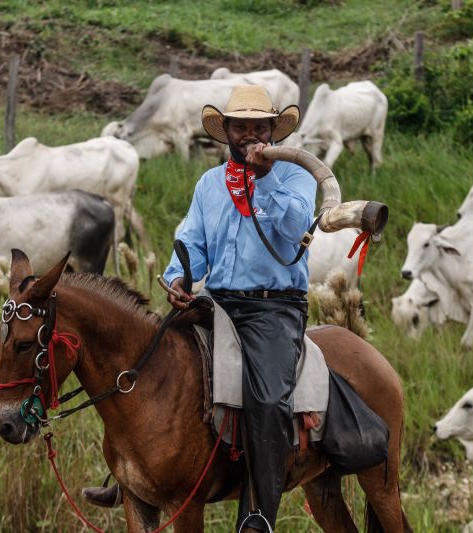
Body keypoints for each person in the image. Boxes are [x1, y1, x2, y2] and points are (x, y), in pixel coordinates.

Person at [85, 85, 317, 532]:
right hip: (217, 302)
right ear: (226, 131)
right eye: (241, 127)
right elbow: (191, 241)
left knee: (267, 398)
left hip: (273, 307)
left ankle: (258, 514)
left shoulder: (295, 177)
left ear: (273, 130)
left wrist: (265, 178)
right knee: (148, 363)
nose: (250, 135)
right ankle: (131, 470)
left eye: (259, 127)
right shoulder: (210, 184)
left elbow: (293, 231)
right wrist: (177, 278)